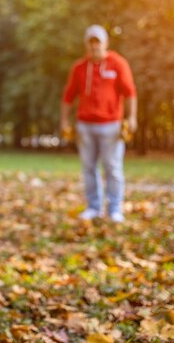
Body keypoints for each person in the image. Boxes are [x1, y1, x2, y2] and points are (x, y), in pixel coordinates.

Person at [60, 24, 137, 223]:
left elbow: (130, 93)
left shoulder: (118, 64)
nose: (94, 46)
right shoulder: (79, 68)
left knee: (112, 167)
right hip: (84, 125)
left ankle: (114, 209)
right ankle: (94, 207)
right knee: (88, 168)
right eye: (91, 42)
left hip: (111, 125)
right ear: (86, 44)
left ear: (105, 43)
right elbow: (68, 96)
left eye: (98, 42)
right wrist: (64, 121)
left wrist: (131, 118)